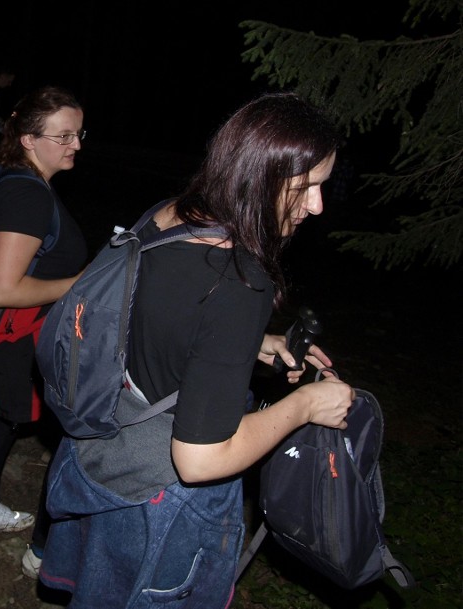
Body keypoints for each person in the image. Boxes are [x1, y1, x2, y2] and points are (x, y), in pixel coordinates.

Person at [38, 92, 356, 607]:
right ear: (259, 176)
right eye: (306, 188)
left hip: (103, 444)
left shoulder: (172, 215)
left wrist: (253, 344)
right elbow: (200, 461)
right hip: (164, 501)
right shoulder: (238, 283)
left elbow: (157, 320)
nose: (318, 206)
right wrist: (305, 406)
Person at [0, 86, 88, 573]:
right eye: (64, 136)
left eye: (79, 134)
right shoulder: (25, 195)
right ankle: (43, 551)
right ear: (30, 139)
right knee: (73, 440)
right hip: (21, 341)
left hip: (14, 340)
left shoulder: (16, 180)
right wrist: (83, 283)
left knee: (6, 418)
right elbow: (2, 289)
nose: (75, 145)